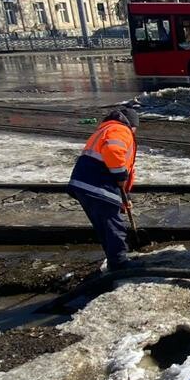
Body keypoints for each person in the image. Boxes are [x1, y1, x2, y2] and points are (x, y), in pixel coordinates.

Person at [68, 107, 139, 271]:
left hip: (83, 185)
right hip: (98, 186)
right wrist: (121, 176)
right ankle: (120, 264)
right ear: (131, 124)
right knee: (114, 227)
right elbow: (114, 152)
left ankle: (114, 260)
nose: (135, 131)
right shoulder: (120, 129)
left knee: (105, 228)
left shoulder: (106, 129)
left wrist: (125, 196)